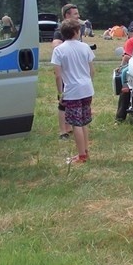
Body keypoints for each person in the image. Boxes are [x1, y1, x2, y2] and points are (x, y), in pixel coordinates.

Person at [51, 18, 95, 164]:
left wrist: (60, 93)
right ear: (76, 32)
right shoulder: (85, 47)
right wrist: (88, 83)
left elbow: (58, 75)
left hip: (72, 90)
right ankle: (86, 151)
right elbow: (91, 70)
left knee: (76, 123)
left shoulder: (59, 50)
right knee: (84, 121)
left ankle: (81, 155)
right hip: (87, 89)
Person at [52, 3, 81, 139]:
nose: (78, 16)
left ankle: (70, 127)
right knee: (63, 100)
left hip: (76, 71)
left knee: (74, 99)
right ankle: (63, 131)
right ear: (67, 15)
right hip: (65, 72)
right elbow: (56, 44)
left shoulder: (76, 29)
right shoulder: (60, 30)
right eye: (75, 14)